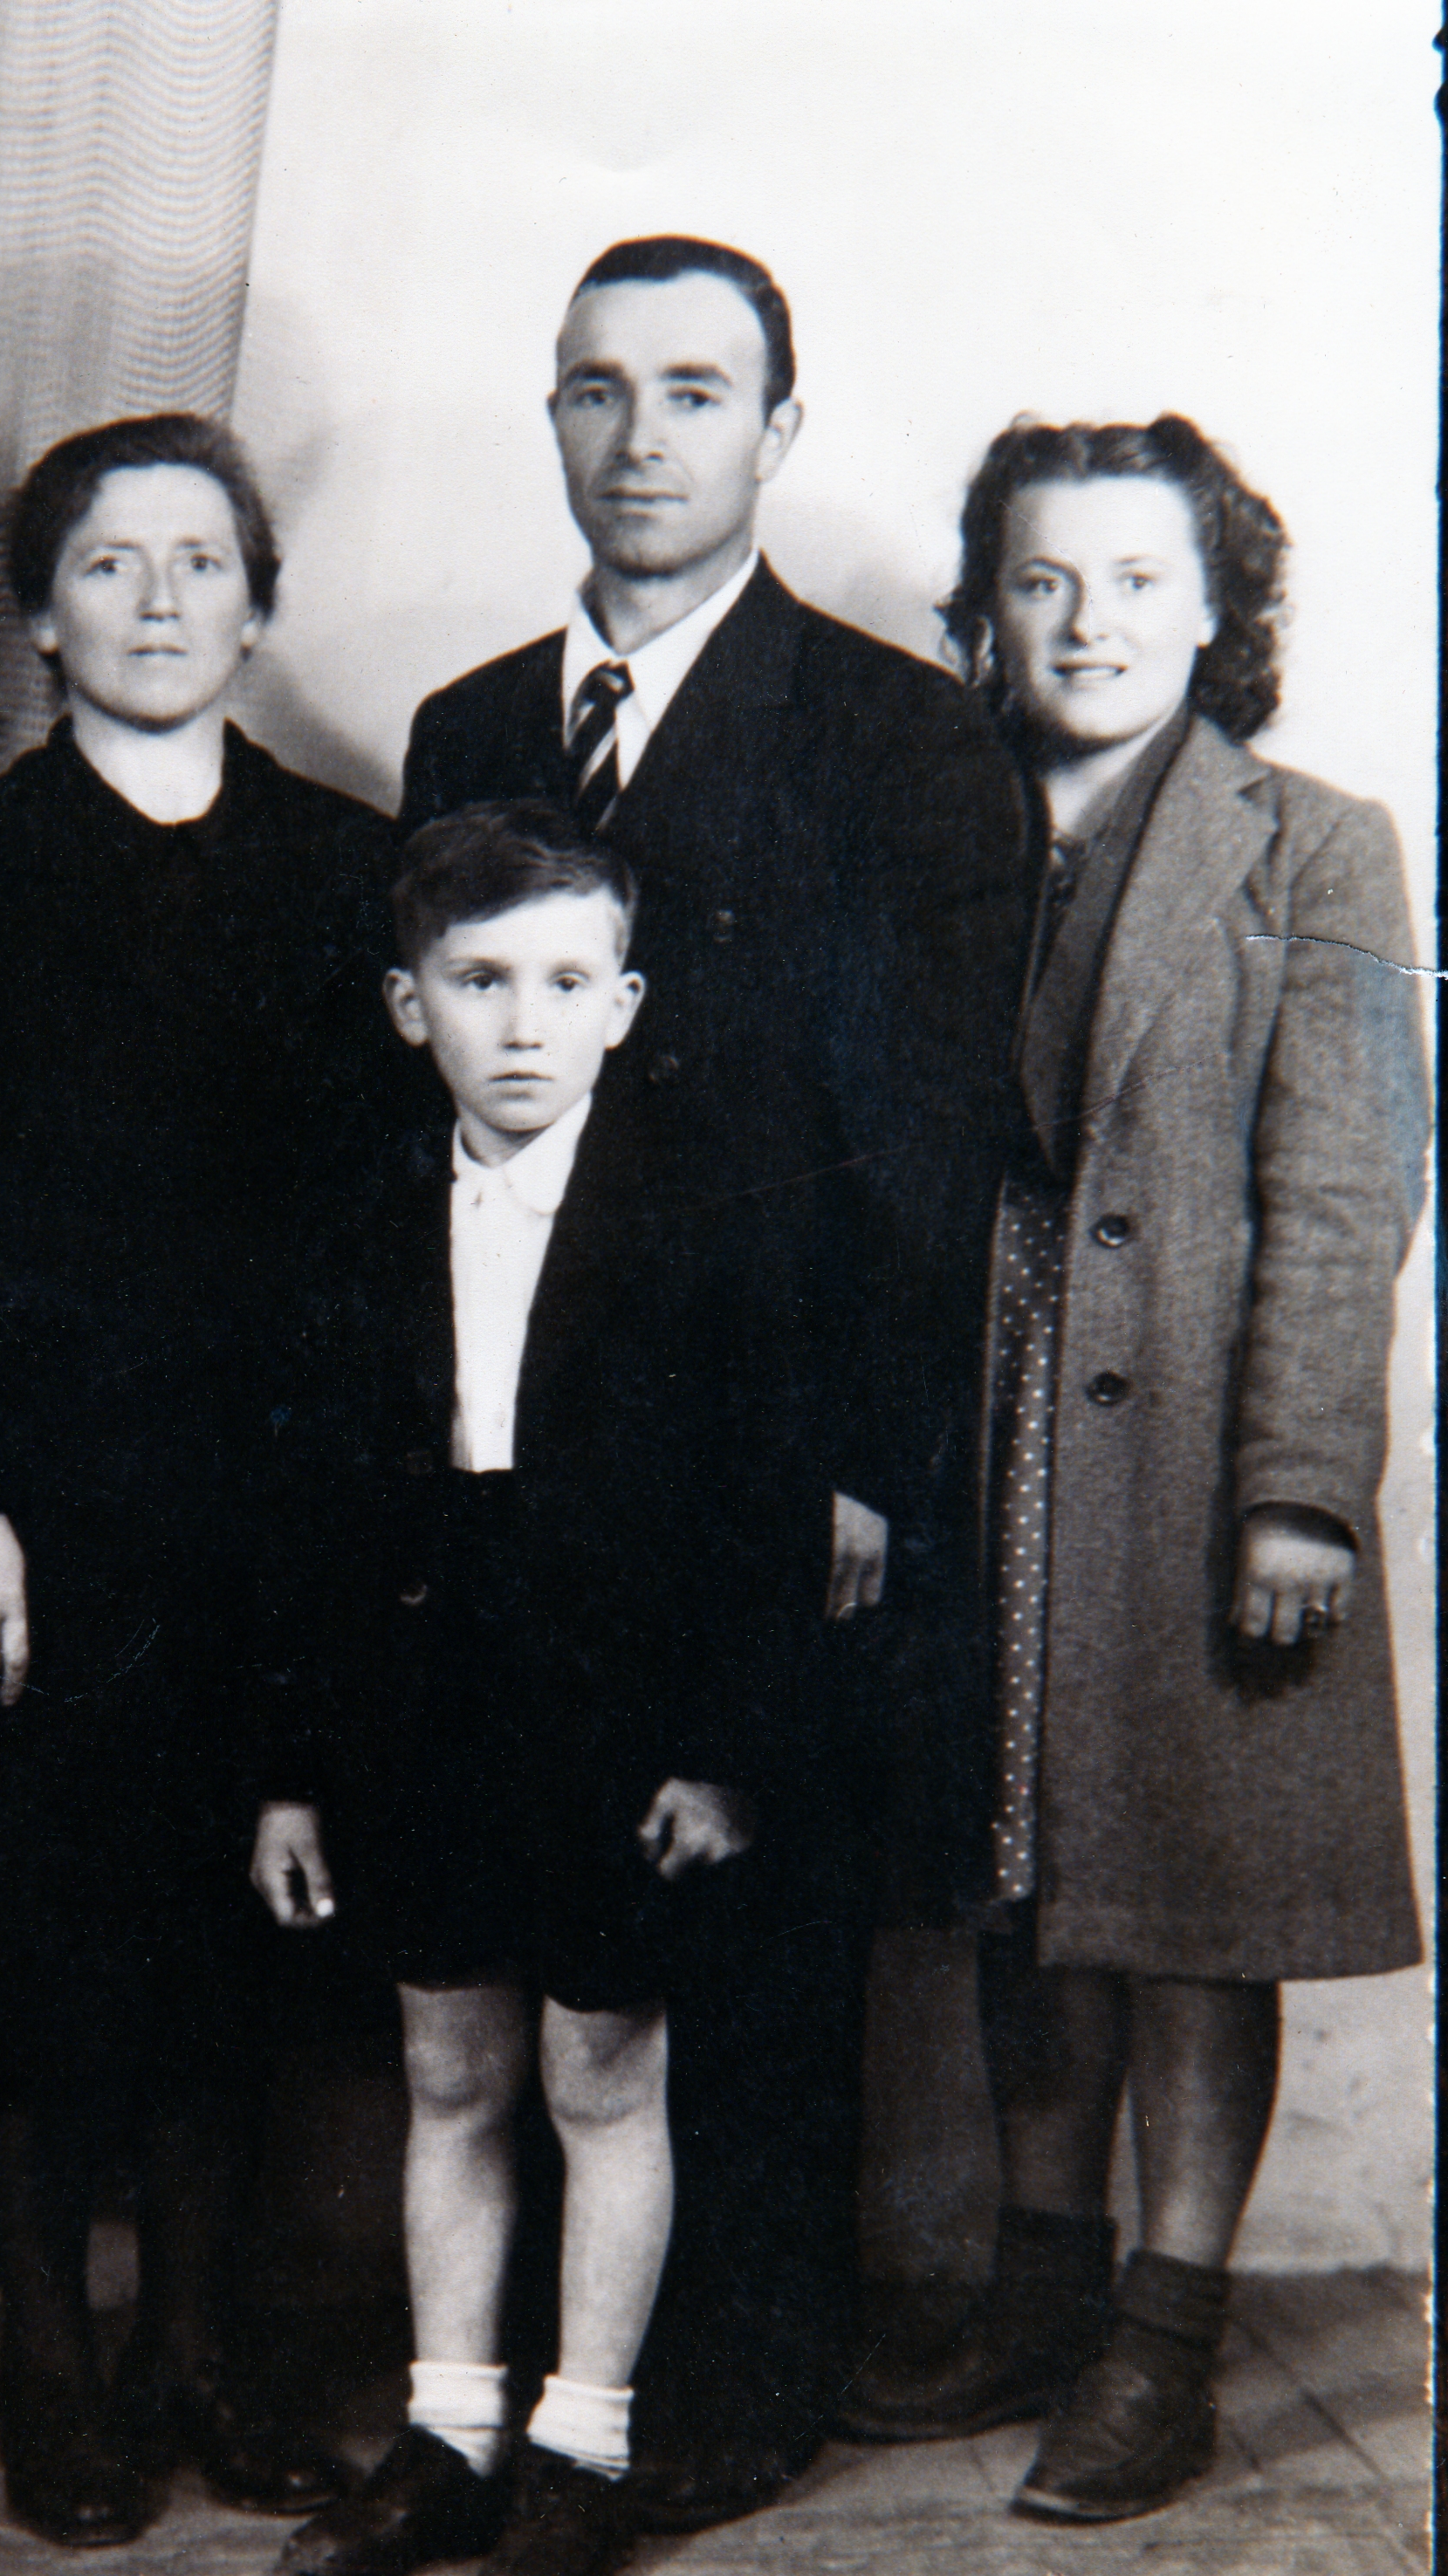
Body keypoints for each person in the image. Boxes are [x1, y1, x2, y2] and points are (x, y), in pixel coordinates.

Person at [397, 235, 1032, 2520]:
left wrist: (862, 1459)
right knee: (539, 1925)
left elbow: (930, 1137)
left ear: (777, 432)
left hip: (773, 1436)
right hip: (528, 1444)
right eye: (598, 388)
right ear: (552, 417)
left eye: (694, 391)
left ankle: (735, 2382)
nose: (640, 436)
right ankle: (505, 2388)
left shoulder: (899, 736)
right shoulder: (474, 728)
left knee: (746, 1891)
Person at [837, 416, 1428, 2523]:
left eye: (1138, 581)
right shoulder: (933, 823)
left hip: (1192, 1457)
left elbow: (1346, 1194)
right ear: (989, 609)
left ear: (1216, 610)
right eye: (1043, 581)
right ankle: (1042, 2285)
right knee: (1024, 1884)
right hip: (978, 1439)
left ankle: (1167, 2334)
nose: (1087, 624)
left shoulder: (1316, 847)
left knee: (1193, 1904)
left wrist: (1300, 1489)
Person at [0, 411, 389, 2549]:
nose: (159, 602)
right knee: (36, 1947)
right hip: (33, 1521)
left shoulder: (348, 871)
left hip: (272, 1510)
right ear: (43, 618)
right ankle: (55, 2367)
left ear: (259, 607)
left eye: (200, 562)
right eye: (107, 564)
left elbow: (390, 1226)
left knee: (235, 1948)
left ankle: (202, 2361)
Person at [254, 805, 774, 2576]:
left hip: (615, 1704)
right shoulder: (362, 1215)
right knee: (449, 2069)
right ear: (413, 1009)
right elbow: (311, 1519)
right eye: (480, 983)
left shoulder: (702, 1217)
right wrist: (293, 1775)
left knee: (603, 2073)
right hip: (425, 1691)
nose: (524, 1024)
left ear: (624, 1005)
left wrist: (719, 1756)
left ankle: (586, 2443)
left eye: (564, 982)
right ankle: (454, 2429)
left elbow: (759, 1514)